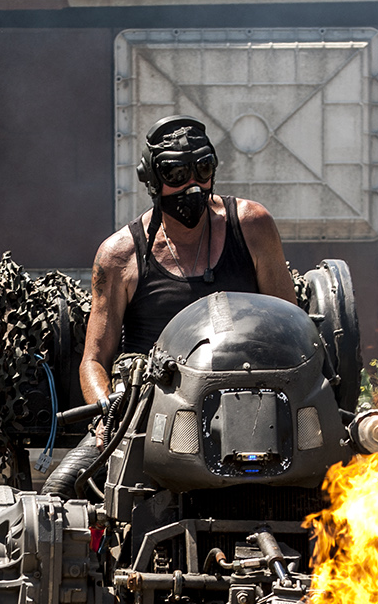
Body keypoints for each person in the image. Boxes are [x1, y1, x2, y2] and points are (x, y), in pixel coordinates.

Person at [79, 115, 298, 422]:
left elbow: (292, 329)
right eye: (176, 174)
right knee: (83, 459)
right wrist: (107, 417)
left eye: (203, 169)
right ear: (152, 180)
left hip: (251, 408)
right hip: (155, 417)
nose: (192, 185)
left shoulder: (253, 226)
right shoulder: (119, 256)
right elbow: (93, 361)